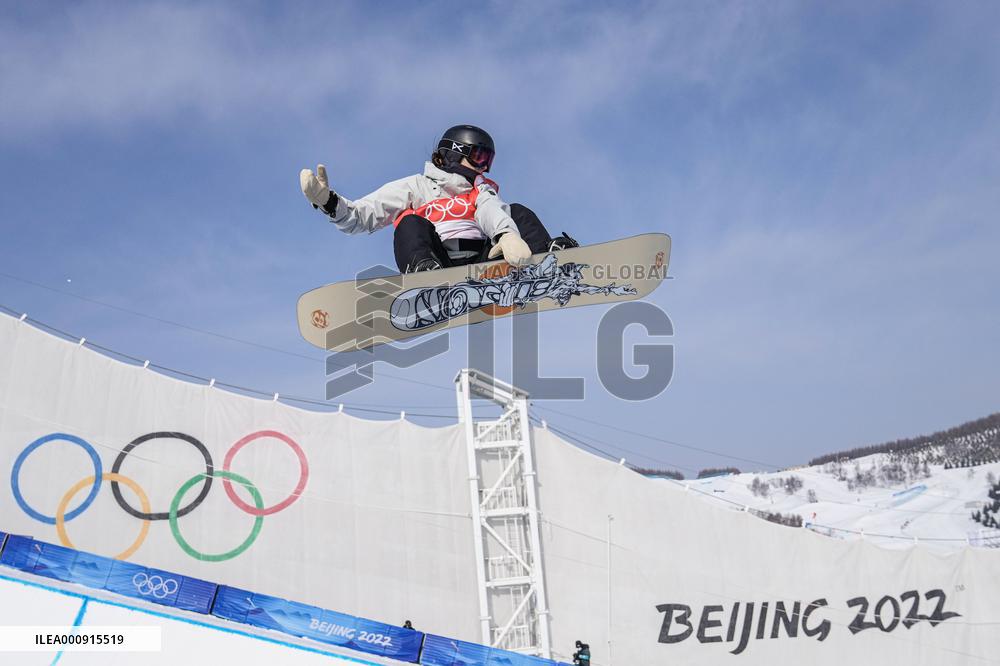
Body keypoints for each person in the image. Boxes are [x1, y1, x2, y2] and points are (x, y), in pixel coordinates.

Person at [300, 125, 577, 273]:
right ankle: (424, 271)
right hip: (440, 260)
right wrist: (329, 202)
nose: (484, 167)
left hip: (485, 260)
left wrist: (507, 236)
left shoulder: (481, 189)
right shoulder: (416, 187)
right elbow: (364, 215)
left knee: (516, 211)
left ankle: (545, 254)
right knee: (409, 221)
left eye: (488, 160)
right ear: (453, 154)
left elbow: (491, 212)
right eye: (479, 157)